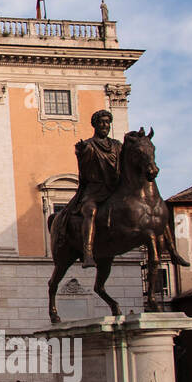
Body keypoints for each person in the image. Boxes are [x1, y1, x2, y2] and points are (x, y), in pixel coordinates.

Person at [72, 110, 122, 268]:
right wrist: (81, 153)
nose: (104, 125)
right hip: (94, 190)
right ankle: (87, 253)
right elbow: (84, 171)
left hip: (113, 190)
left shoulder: (117, 146)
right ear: (94, 124)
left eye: (107, 122)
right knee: (90, 211)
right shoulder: (88, 145)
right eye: (101, 122)